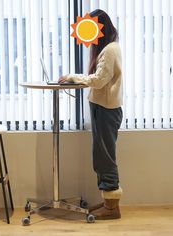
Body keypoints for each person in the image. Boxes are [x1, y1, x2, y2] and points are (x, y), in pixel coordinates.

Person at [59, 9, 123, 220]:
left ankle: (112, 208)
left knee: (105, 157)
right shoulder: (108, 48)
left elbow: (99, 80)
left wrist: (72, 77)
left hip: (106, 110)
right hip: (102, 108)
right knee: (100, 156)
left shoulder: (110, 50)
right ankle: (108, 201)